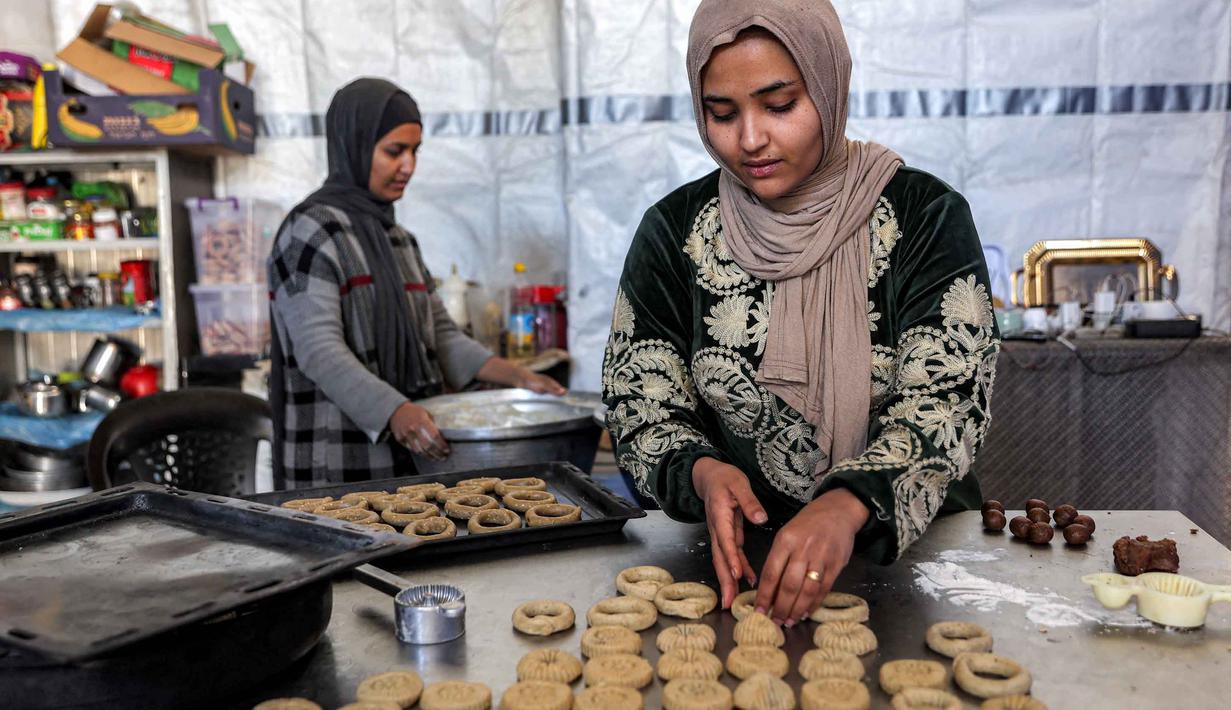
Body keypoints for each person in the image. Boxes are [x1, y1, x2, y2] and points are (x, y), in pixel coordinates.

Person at [601, 0, 1000, 627]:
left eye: (780, 105)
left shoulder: (924, 217)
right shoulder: (675, 233)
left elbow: (947, 401)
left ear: (829, 84)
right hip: (737, 570)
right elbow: (640, 404)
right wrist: (701, 472)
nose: (751, 138)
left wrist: (848, 504)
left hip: (914, 566)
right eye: (722, 113)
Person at [268, 78, 564, 484]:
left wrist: (515, 377)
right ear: (352, 144)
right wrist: (395, 411)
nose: (408, 166)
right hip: (337, 465)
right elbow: (319, 352)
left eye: (414, 151)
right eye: (394, 151)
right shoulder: (310, 232)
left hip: (406, 462)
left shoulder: (399, 241)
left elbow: (440, 335)